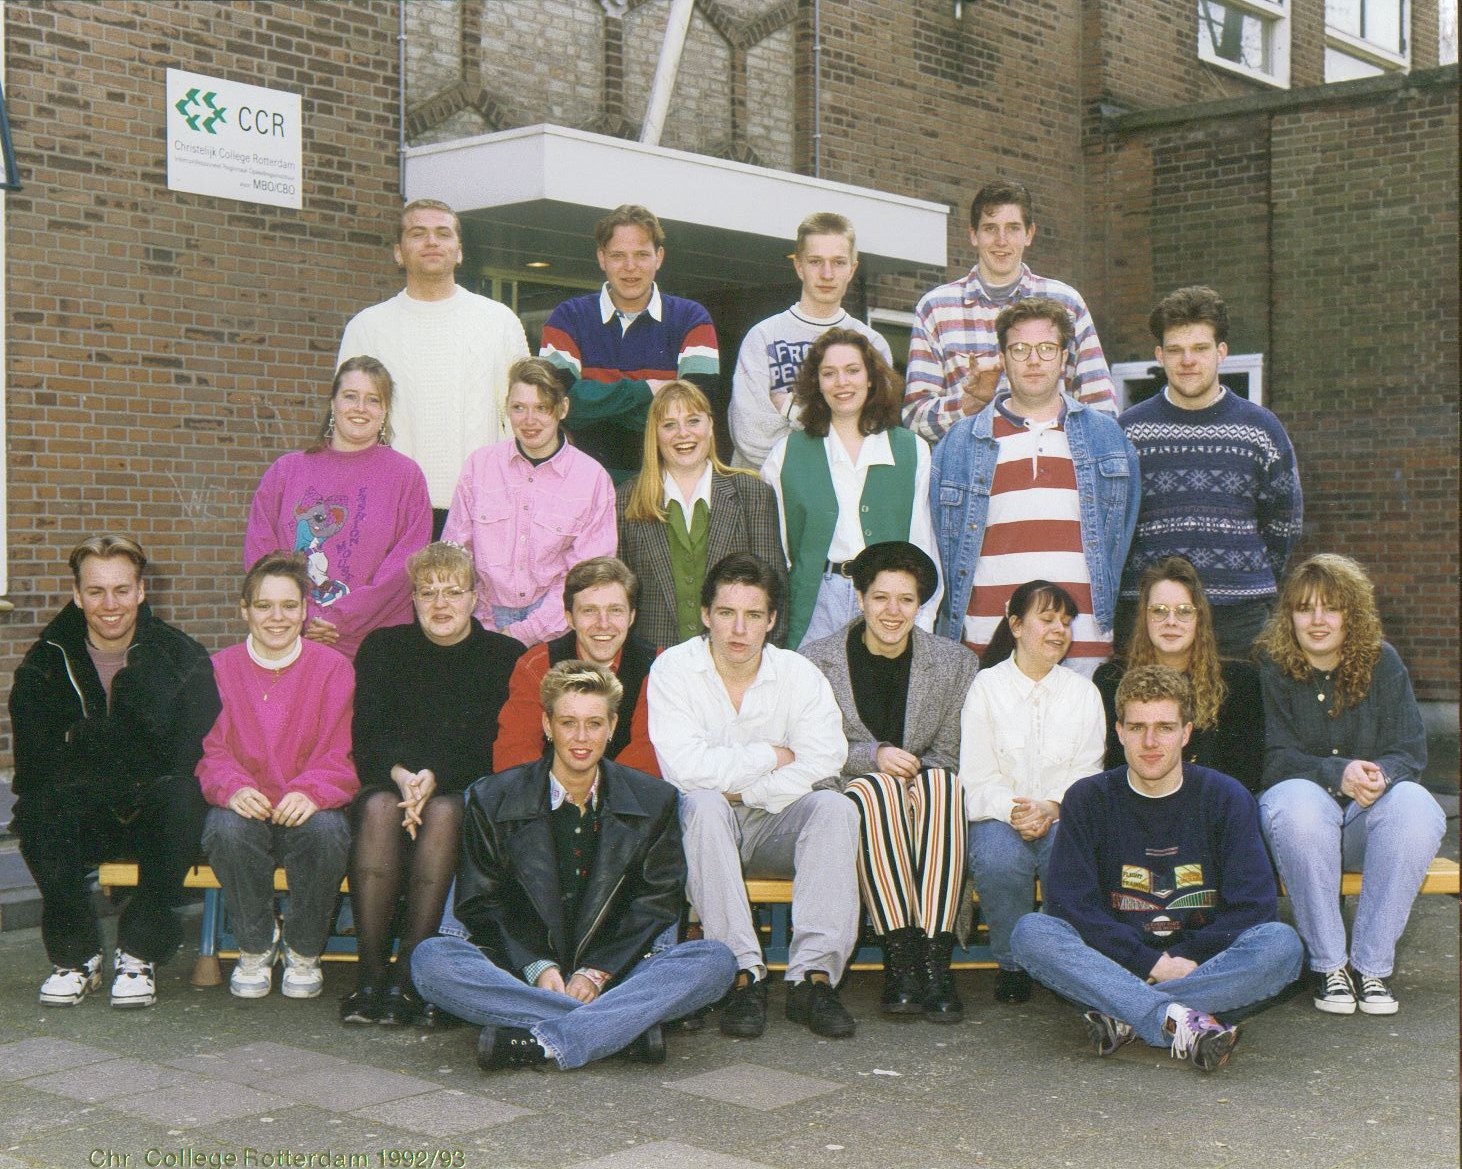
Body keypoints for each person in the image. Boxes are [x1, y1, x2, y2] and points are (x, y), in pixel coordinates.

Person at [411, 661, 737, 1071]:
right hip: (517, 968)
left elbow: (656, 904)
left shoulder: (655, 801)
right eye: (568, 723)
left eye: (594, 724)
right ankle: (619, 1030)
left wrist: (596, 973)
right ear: (547, 724)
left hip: (616, 973)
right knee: (431, 961)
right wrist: (538, 966)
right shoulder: (492, 797)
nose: (581, 738)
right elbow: (482, 901)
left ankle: (541, 1039)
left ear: (612, 726)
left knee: (716, 962)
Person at [1010, 666, 1303, 1073]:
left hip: (1200, 962)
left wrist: (1179, 958)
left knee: (1281, 946)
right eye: (1138, 727)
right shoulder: (1087, 799)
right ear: (1120, 732)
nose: (1150, 742)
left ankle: (1126, 1012)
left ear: (1186, 733)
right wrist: (1147, 963)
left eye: (1165, 728)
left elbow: (1254, 908)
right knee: (1033, 932)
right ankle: (1182, 1020)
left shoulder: (1226, 798)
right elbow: (1070, 906)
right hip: (1115, 959)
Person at [647, 553, 858, 1039]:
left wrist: (752, 787)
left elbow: (826, 758)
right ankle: (742, 973)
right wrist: (770, 753)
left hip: (774, 820)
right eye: (726, 613)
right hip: (701, 829)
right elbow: (686, 770)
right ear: (705, 614)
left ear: (772, 621)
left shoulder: (798, 674)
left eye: (754, 615)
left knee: (834, 807)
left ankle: (813, 979)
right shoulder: (675, 670)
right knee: (702, 804)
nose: (738, 629)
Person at [10, 535, 220, 1009]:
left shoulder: (180, 657)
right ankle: (75, 956)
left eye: (122, 590)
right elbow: (36, 766)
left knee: (184, 795)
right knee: (40, 810)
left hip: (154, 811)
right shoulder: (45, 662)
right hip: (80, 813)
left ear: (141, 591)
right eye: (97, 591)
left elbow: (193, 752)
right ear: (77, 594)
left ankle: (139, 951)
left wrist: (91, 742)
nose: (110, 605)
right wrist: (122, 746)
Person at [344, 542, 526, 1026]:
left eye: (452, 591)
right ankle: (368, 978)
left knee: (446, 813)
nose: (440, 604)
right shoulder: (383, 649)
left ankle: (409, 977)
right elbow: (367, 737)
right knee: (380, 809)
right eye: (428, 593)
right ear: (414, 599)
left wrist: (434, 779)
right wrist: (404, 777)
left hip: (463, 788)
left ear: (474, 597)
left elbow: (493, 745)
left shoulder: (504, 656)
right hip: (391, 783)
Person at [1255, 554, 1445, 1016]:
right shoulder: (1273, 665)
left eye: (1331, 608)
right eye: (1305, 608)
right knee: (1298, 804)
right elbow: (1275, 758)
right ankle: (1328, 965)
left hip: (1362, 821)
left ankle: (1371, 967)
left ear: (1351, 614)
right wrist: (1335, 772)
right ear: (1290, 617)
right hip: (1300, 823)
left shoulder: (1382, 662)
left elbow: (1410, 751)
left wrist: (1381, 775)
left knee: (1416, 807)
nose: (1318, 621)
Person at [799, 542, 978, 1022]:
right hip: (851, 793)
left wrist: (916, 782)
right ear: (859, 598)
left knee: (945, 787)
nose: (893, 611)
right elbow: (815, 753)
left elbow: (951, 753)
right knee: (876, 788)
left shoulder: (954, 663)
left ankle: (934, 957)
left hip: (927, 795)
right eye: (880, 598)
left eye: (905, 599)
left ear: (920, 605)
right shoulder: (816, 661)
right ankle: (900, 956)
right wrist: (872, 756)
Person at [930, 296, 1138, 677]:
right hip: (987, 642)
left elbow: (1124, 535)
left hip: (1084, 644)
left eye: (1046, 348)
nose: (1033, 360)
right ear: (1004, 357)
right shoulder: (959, 444)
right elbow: (943, 548)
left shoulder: (1107, 438)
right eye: (1020, 349)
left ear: (1064, 357)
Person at [197, 552, 358, 1001]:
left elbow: (340, 752)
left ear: (306, 610)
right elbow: (211, 750)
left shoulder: (332, 669)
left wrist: (312, 790)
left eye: (289, 605)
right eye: (264, 605)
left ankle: (304, 949)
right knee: (225, 828)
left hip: (306, 806)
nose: (277, 617)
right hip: (247, 805)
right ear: (244, 610)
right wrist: (233, 787)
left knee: (328, 831)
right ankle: (255, 944)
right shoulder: (219, 669)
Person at [1117, 287, 1302, 657]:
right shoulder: (1128, 432)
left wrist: (1242, 577)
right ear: (1160, 355)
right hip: (1151, 618)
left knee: (1240, 715)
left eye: (1200, 348)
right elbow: (1114, 525)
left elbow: (1284, 522)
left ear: (1221, 352)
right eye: (1175, 350)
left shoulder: (1261, 428)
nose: (1187, 360)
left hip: (1238, 620)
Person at [337, 198, 529, 534]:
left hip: (485, 509)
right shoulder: (367, 327)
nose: (431, 241)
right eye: (418, 233)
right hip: (391, 508)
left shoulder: (499, 322)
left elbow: (522, 417)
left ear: (459, 251)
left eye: (443, 233)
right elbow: (349, 422)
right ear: (399, 252)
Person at [961, 579, 1105, 1003]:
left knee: (1070, 857)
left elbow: (1088, 772)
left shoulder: (1084, 693)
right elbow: (977, 775)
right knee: (998, 859)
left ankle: (1060, 962)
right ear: (1017, 625)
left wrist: (1052, 807)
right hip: (997, 815)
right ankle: (1012, 963)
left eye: (1065, 621)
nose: (1059, 629)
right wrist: (1017, 811)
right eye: (1047, 619)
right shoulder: (986, 687)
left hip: (1063, 813)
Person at [762, 327, 940, 650]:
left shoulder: (911, 450)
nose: (842, 382)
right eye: (829, 373)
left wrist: (922, 622)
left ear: (870, 377)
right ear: (817, 383)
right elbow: (778, 555)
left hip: (888, 606)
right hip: (815, 605)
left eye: (852, 371)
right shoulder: (786, 454)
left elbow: (923, 544)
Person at [245, 355, 432, 660]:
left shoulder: (405, 477)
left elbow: (406, 564)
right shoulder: (285, 472)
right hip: (294, 639)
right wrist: (301, 615)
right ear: (333, 403)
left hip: (376, 648)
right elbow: (260, 555)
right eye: (350, 396)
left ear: (385, 411)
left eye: (373, 400)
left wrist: (339, 616)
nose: (360, 408)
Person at [903, 179, 1116, 445]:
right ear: (973, 234)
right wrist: (971, 403)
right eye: (990, 229)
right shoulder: (935, 308)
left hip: (1053, 464)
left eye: (1013, 229)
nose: (1001, 241)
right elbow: (915, 419)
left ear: (1029, 234)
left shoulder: (1067, 302)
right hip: (971, 475)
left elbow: (1101, 406)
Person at [441, 356, 616, 646]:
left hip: (558, 628)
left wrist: (523, 633)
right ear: (507, 409)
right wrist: (484, 627)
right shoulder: (479, 466)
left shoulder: (592, 479)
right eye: (519, 408)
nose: (529, 420)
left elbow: (587, 577)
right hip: (481, 622)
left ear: (563, 409)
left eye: (541, 408)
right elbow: (456, 556)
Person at [540, 204, 720, 482]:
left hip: (662, 484)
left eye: (641, 255)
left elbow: (694, 414)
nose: (630, 267)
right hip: (578, 484)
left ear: (659, 257)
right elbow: (555, 407)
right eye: (618, 255)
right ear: (602, 258)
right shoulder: (568, 317)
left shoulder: (692, 319)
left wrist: (596, 406)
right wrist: (647, 391)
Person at [617, 381, 786, 649]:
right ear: (655, 435)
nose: (683, 434)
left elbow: (775, 591)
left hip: (733, 660)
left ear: (709, 426)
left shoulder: (752, 492)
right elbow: (622, 597)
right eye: (669, 425)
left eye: (693, 421)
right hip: (657, 663)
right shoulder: (629, 498)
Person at [729, 211, 894, 469]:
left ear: (852, 269)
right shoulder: (762, 337)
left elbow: (868, 433)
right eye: (816, 261)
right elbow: (752, 438)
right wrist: (828, 458)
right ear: (799, 266)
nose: (827, 274)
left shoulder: (872, 343)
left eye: (838, 262)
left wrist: (791, 409)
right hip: (766, 499)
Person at [1095, 556, 1264, 792]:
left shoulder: (1239, 682)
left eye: (1184, 611)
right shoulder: (1112, 680)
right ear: (1144, 617)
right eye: (1159, 611)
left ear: (1200, 618)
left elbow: (1245, 775)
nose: (1171, 622)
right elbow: (1111, 769)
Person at [493, 557, 660, 776]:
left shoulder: (657, 666)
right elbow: (515, 748)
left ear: (631, 617)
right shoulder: (537, 664)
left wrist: (598, 796)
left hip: (625, 797)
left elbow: (648, 751)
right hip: (548, 798)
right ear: (569, 618)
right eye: (589, 611)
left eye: (615, 610)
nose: (603, 623)